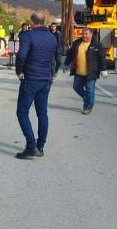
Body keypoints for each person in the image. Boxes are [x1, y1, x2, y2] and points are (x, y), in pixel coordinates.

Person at [14, 13, 58, 159]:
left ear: (32, 22)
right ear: (44, 22)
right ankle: (40, 147)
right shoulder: (52, 37)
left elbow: (21, 56)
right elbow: (54, 58)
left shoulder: (28, 36)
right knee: (42, 113)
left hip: (31, 79)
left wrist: (19, 71)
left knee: (22, 112)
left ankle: (31, 146)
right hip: (46, 79)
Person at [64, 28, 108, 115]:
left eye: (86, 34)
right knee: (76, 87)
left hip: (91, 73)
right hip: (79, 72)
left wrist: (103, 69)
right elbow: (70, 54)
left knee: (90, 90)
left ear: (91, 35)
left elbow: (102, 58)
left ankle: (89, 107)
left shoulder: (97, 45)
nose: (84, 35)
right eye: (83, 34)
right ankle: (87, 99)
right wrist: (66, 64)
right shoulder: (77, 43)